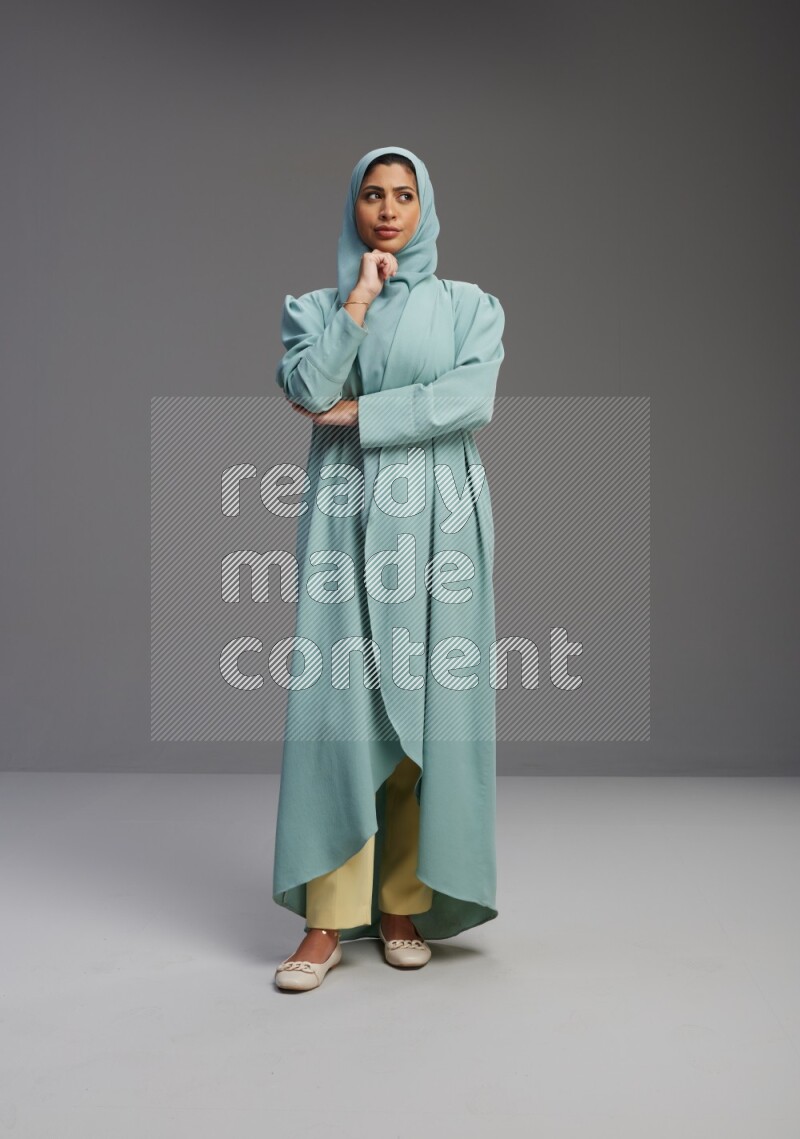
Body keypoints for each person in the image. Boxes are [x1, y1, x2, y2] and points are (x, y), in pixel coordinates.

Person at [271, 145, 505, 991]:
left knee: (424, 702)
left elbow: (470, 399)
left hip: (441, 515)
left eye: (405, 194)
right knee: (340, 707)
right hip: (346, 509)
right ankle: (328, 919)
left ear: (425, 207)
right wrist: (359, 303)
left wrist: (362, 411)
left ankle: (402, 903)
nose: (389, 208)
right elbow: (307, 387)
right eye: (374, 194)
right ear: (355, 207)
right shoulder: (315, 307)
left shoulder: (472, 307)